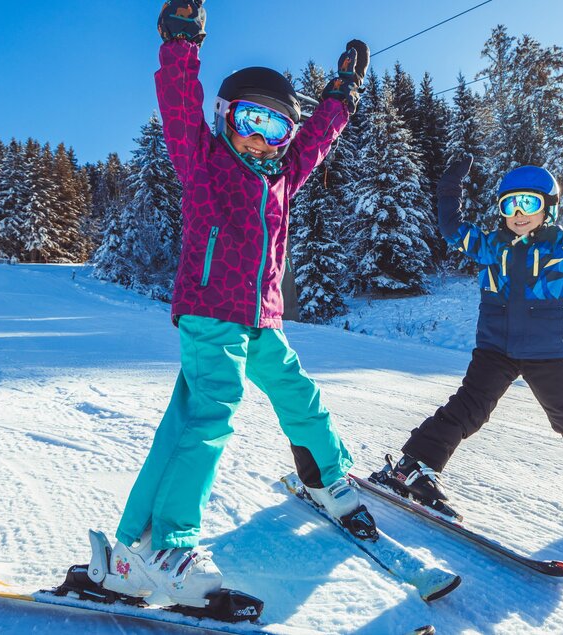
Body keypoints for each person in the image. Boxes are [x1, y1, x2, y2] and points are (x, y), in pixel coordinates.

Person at [96, 0, 375, 609]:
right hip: (209, 311)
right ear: (225, 117)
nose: (261, 138)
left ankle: (327, 477)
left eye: (276, 129)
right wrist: (181, 42)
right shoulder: (202, 162)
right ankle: (167, 545)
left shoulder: (282, 177)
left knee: (296, 392)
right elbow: (178, 103)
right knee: (210, 411)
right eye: (251, 120)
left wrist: (342, 95)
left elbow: (317, 140)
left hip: (261, 317)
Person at [372, 142, 563, 536]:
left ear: (548, 208)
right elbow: (451, 228)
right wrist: (449, 186)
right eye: (510, 205)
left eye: (528, 203)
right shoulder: (490, 246)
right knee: (467, 409)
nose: (519, 213)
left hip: (546, 355)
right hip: (495, 350)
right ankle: (412, 466)